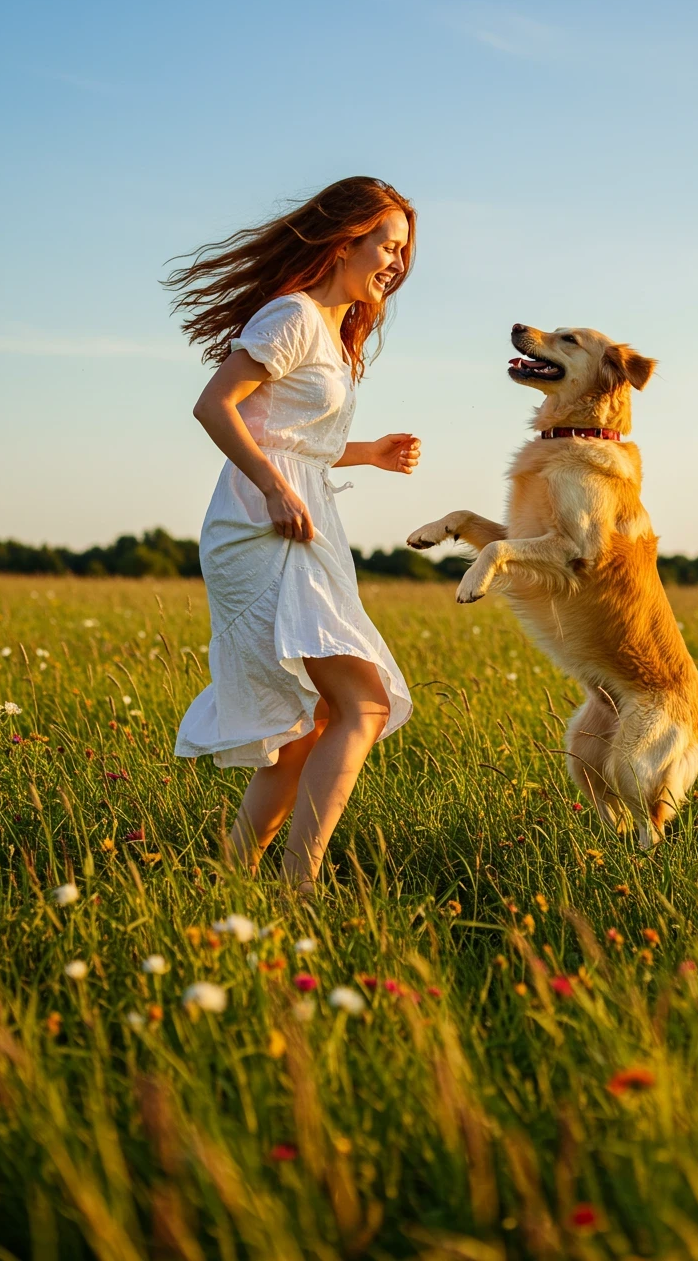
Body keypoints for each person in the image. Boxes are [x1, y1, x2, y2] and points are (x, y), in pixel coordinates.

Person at [165, 176, 420, 893]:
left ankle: (233, 879)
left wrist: (367, 453)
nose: (397, 263)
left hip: (301, 517)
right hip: (262, 523)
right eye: (387, 245)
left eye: (403, 251)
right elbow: (216, 407)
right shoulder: (293, 316)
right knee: (361, 702)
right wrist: (275, 487)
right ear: (346, 241)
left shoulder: (332, 335)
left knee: (306, 729)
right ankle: (298, 885)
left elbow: (292, 438)